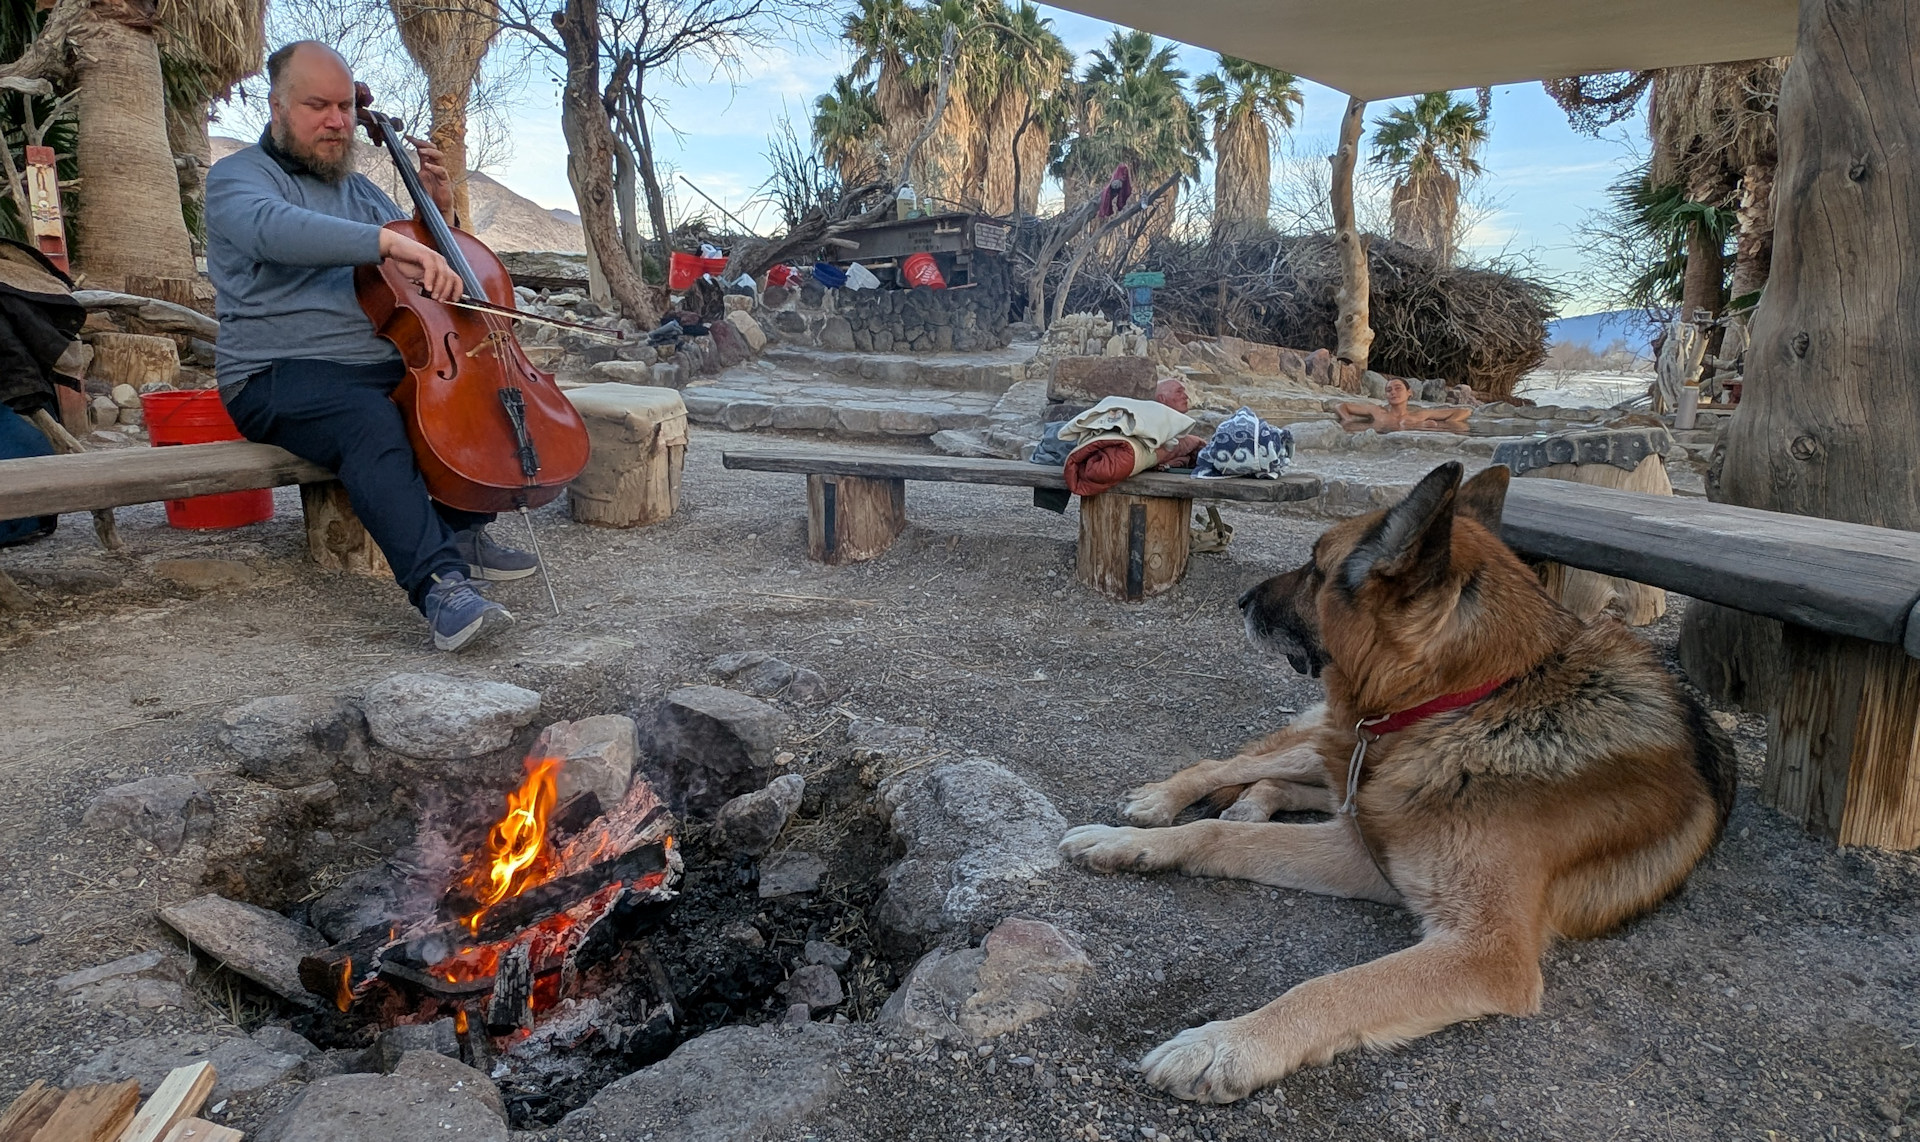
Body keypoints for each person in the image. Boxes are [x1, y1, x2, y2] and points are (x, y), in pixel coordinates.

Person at [205, 41, 536, 651]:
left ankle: (463, 528)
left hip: (375, 362)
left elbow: (419, 263)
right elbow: (271, 231)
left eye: (344, 107)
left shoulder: (360, 192)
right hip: (277, 374)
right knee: (369, 420)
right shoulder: (240, 178)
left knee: (468, 396)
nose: (337, 121)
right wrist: (387, 243)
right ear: (278, 107)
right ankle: (441, 587)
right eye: (317, 106)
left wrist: (433, 214)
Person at [1335, 375, 1471, 432]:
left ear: (1409, 392)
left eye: (1398, 388)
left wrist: (1447, 424)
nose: (1393, 393)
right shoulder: (1377, 411)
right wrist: (1347, 420)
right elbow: (1340, 406)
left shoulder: (1420, 415)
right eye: (1389, 390)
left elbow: (1464, 411)